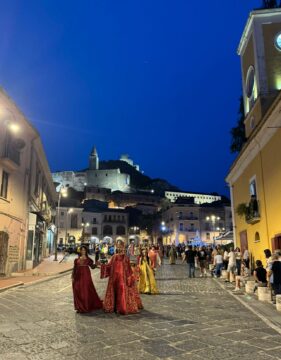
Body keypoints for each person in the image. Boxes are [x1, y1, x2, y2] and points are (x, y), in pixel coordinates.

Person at [101, 240, 143, 315]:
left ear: (123, 247)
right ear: (116, 247)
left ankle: (121, 307)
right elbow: (109, 266)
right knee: (115, 290)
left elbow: (129, 269)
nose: (119, 248)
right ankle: (114, 306)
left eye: (121, 247)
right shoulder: (114, 257)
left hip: (122, 279)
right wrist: (102, 266)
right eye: (118, 247)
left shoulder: (125, 258)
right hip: (114, 278)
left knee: (122, 291)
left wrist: (130, 277)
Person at [72, 245, 102, 313]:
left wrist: (97, 264)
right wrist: (73, 276)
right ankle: (79, 306)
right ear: (80, 251)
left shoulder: (89, 260)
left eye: (84, 250)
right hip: (77, 277)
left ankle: (86, 306)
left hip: (86, 277)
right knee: (77, 290)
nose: (83, 251)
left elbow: (93, 267)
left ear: (86, 251)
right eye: (82, 250)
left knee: (85, 291)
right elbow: (75, 268)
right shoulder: (76, 260)